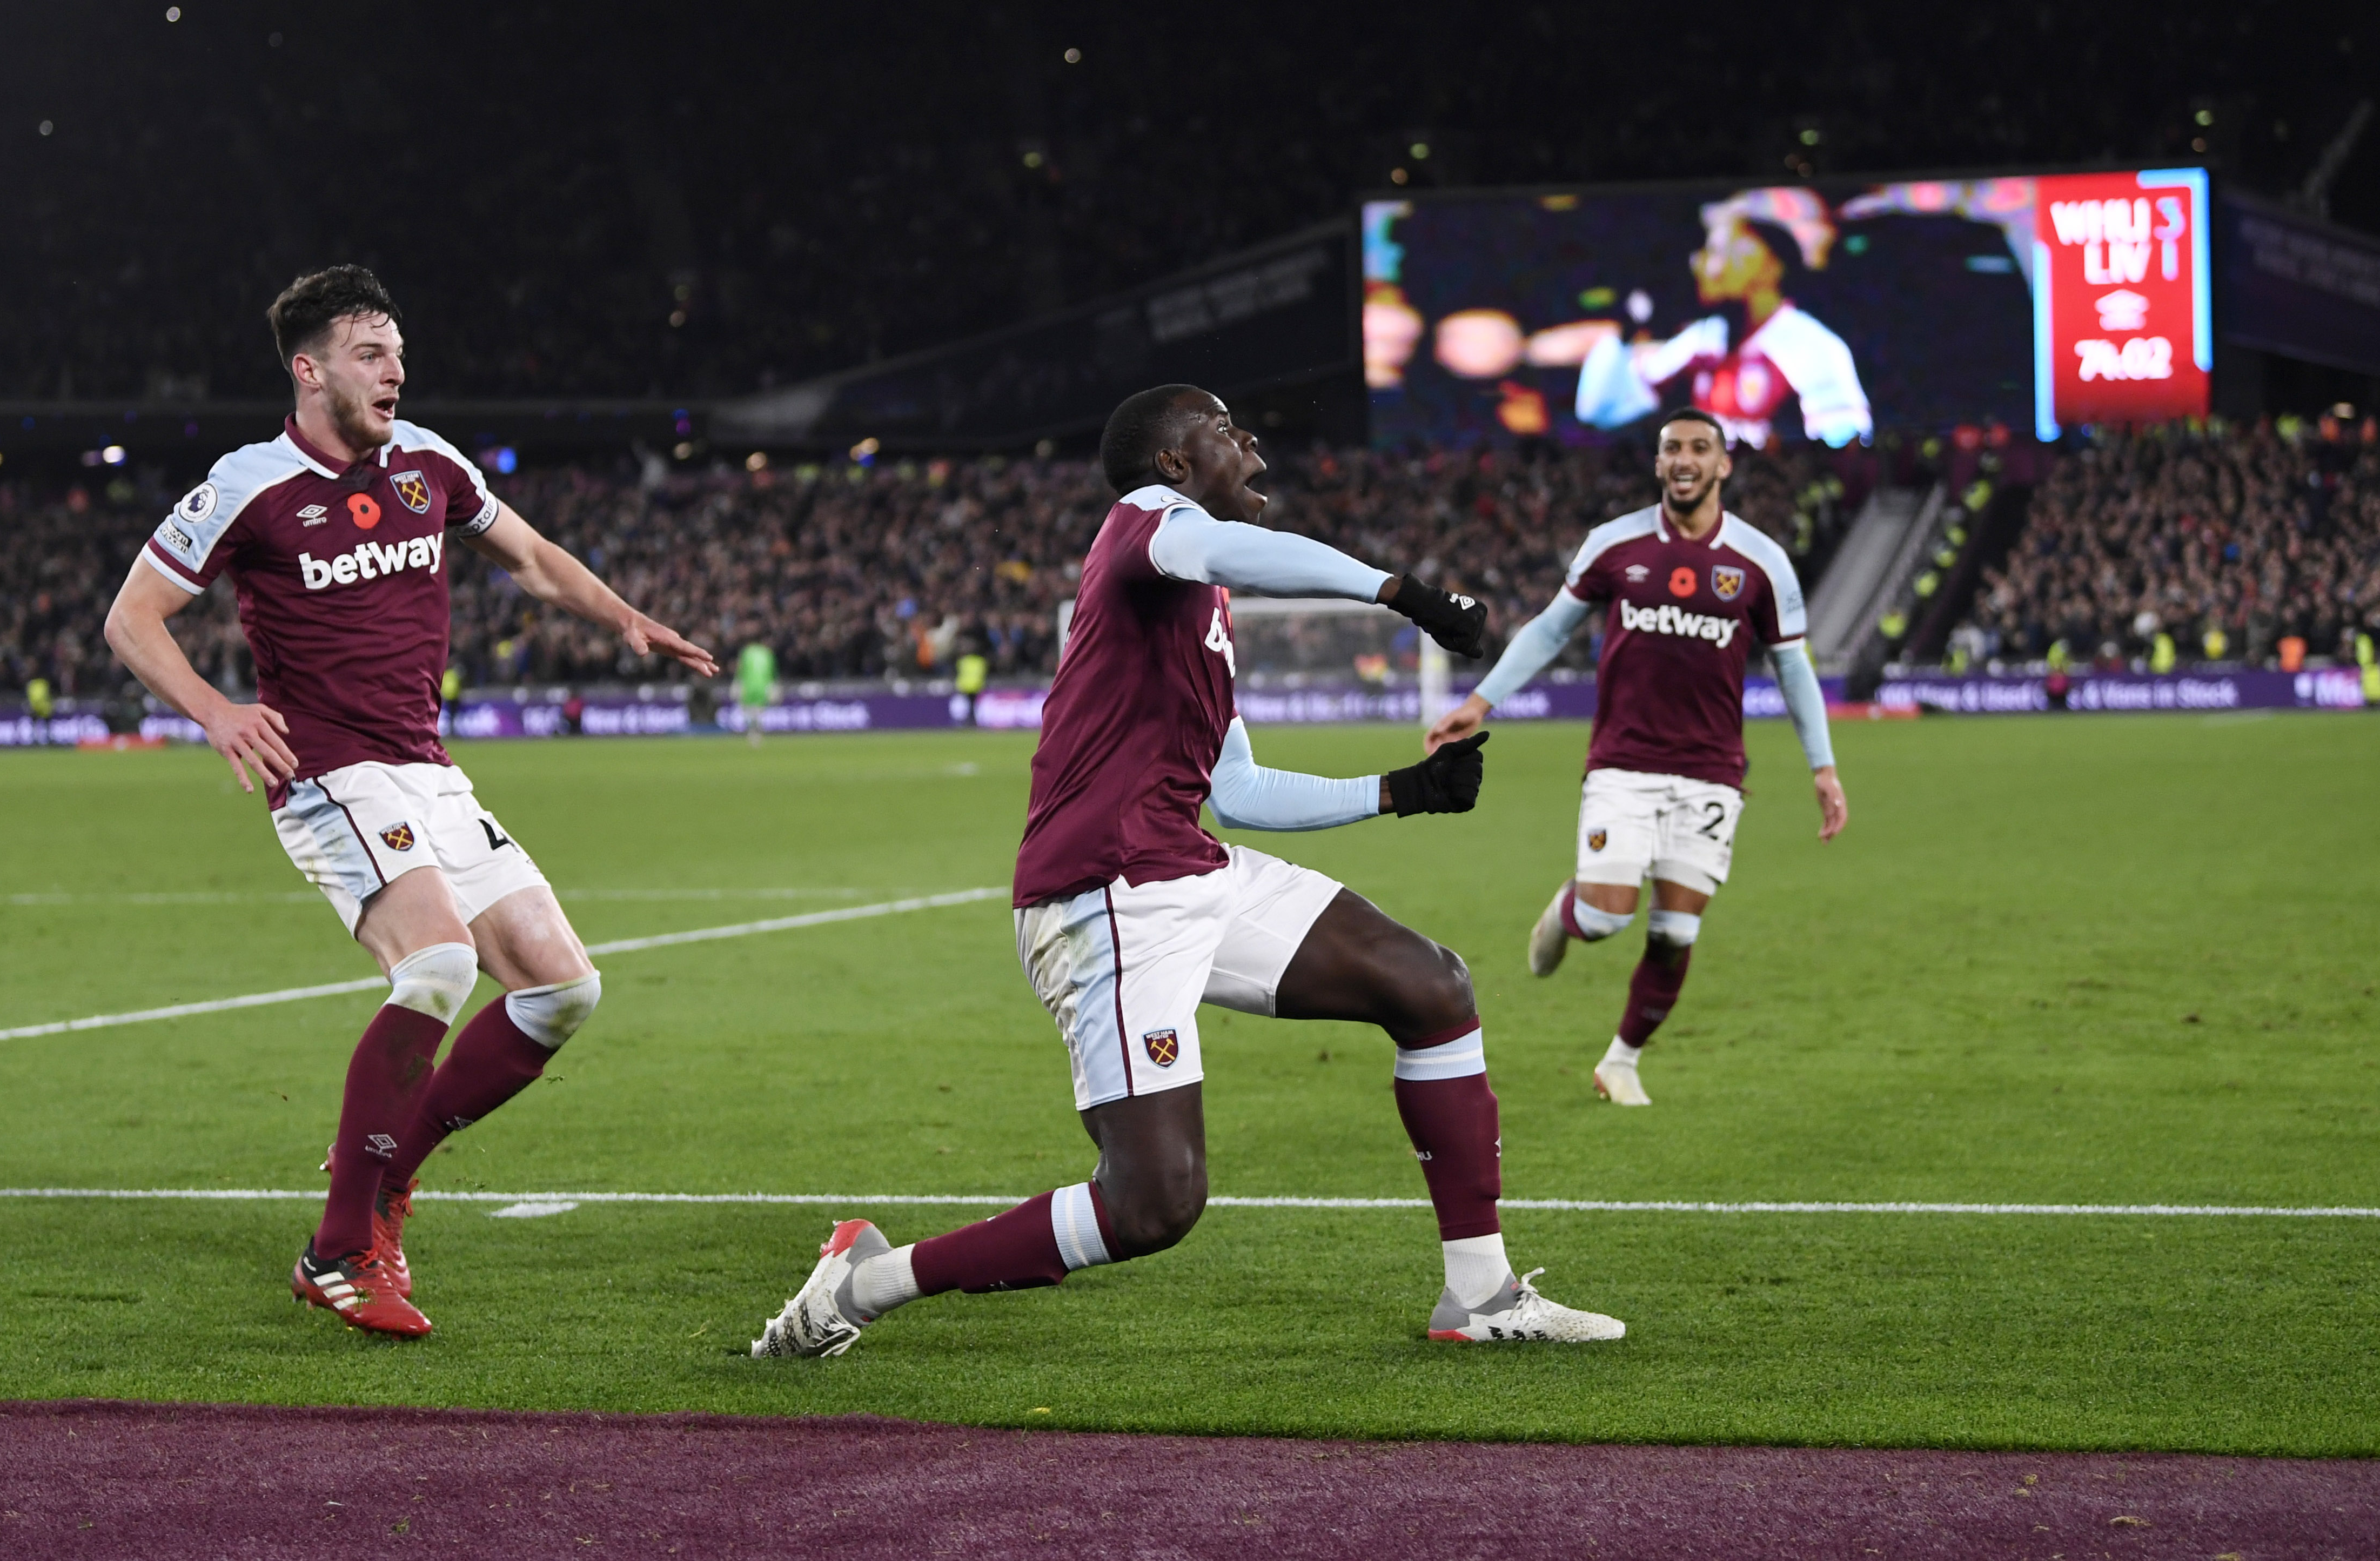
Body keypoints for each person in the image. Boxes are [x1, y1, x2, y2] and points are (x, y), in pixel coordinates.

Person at [753, 385, 1627, 1357]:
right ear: (1174, 463)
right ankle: (866, 1279)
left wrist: (1402, 792)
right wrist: (1405, 592)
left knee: (1430, 985)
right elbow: (1234, 552)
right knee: (1153, 1201)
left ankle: (1481, 1293)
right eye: (1224, 429)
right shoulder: (1148, 525)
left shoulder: (1191, 593)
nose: (1250, 440)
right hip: (1111, 892)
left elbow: (1240, 789)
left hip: (1187, 865)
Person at [103, 266, 716, 1337]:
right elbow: (132, 618)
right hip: (328, 770)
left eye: (397, 351)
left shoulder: (428, 461)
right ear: (310, 370)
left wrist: (624, 616)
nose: (396, 369)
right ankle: (336, 1250)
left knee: (562, 991)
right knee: (435, 964)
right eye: (370, 353)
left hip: (427, 770)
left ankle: (383, 1164)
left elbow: (526, 554)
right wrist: (213, 710)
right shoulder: (248, 483)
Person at [1424, 408, 1846, 1107]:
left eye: (1699, 448)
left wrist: (1822, 767)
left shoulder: (1761, 561)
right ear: (1658, 465)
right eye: (1672, 448)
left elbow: (1792, 668)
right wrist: (1483, 700)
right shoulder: (1614, 544)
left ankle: (1621, 1061)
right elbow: (1550, 629)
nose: (1685, 459)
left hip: (1713, 772)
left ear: (1722, 465)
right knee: (1607, 918)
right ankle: (1567, 911)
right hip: (1624, 763)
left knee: (1676, 932)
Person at [1576, 190, 1872, 450]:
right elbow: (1597, 411)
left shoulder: (1811, 346)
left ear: (1766, 260)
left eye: (1716, 250)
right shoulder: (1706, 337)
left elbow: (1846, 447)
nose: (1700, 263)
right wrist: (1625, 331)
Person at [733, 633, 776, 745]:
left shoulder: (746, 653)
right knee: (759, 711)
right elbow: (772, 672)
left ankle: (752, 734)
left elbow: (740, 671)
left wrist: (736, 685)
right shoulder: (767, 653)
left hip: (749, 687)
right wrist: (773, 687)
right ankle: (758, 733)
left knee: (748, 711)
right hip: (762, 686)